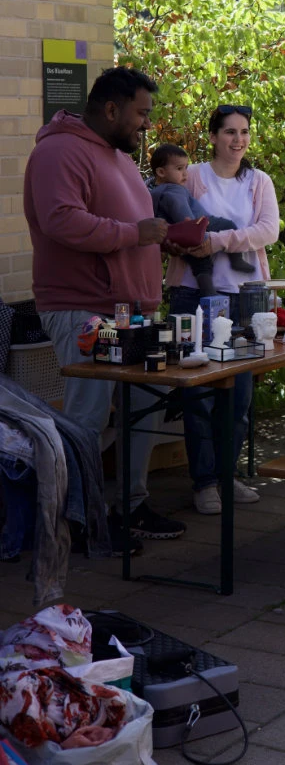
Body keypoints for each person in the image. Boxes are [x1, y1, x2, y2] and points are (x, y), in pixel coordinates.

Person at [23, 67, 187, 551]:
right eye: (141, 114)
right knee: (87, 418)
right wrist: (136, 234)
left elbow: (125, 223)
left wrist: (164, 240)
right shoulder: (58, 150)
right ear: (111, 108)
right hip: (86, 309)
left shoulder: (112, 154)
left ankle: (130, 506)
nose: (145, 125)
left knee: (142, 406)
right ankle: (79, 523)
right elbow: (61, 220)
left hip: (128, 312)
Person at [165, 104, 280, 514]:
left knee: (239, 397)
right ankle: (205, 483)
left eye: (245, 132)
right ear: (213, 136)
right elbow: (169, 219)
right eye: (229, 132)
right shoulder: (192, 175)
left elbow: (269, 230)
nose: (238, 140)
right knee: (199, 397)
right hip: (192, 294)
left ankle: (227, 476)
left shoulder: (259, 180)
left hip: (243, 298)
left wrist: (217, 240)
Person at [148, 143, 256, 297]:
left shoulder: (153, 192)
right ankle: (212, 289)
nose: (185, 174)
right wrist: (198, 235)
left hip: (180, 233)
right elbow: (183, 216)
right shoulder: (173, 191)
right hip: (196, 226)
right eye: (179, 169)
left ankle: (223, 274)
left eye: (186, 168)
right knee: (204, 256)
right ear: (161, 172)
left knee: (200, 262)